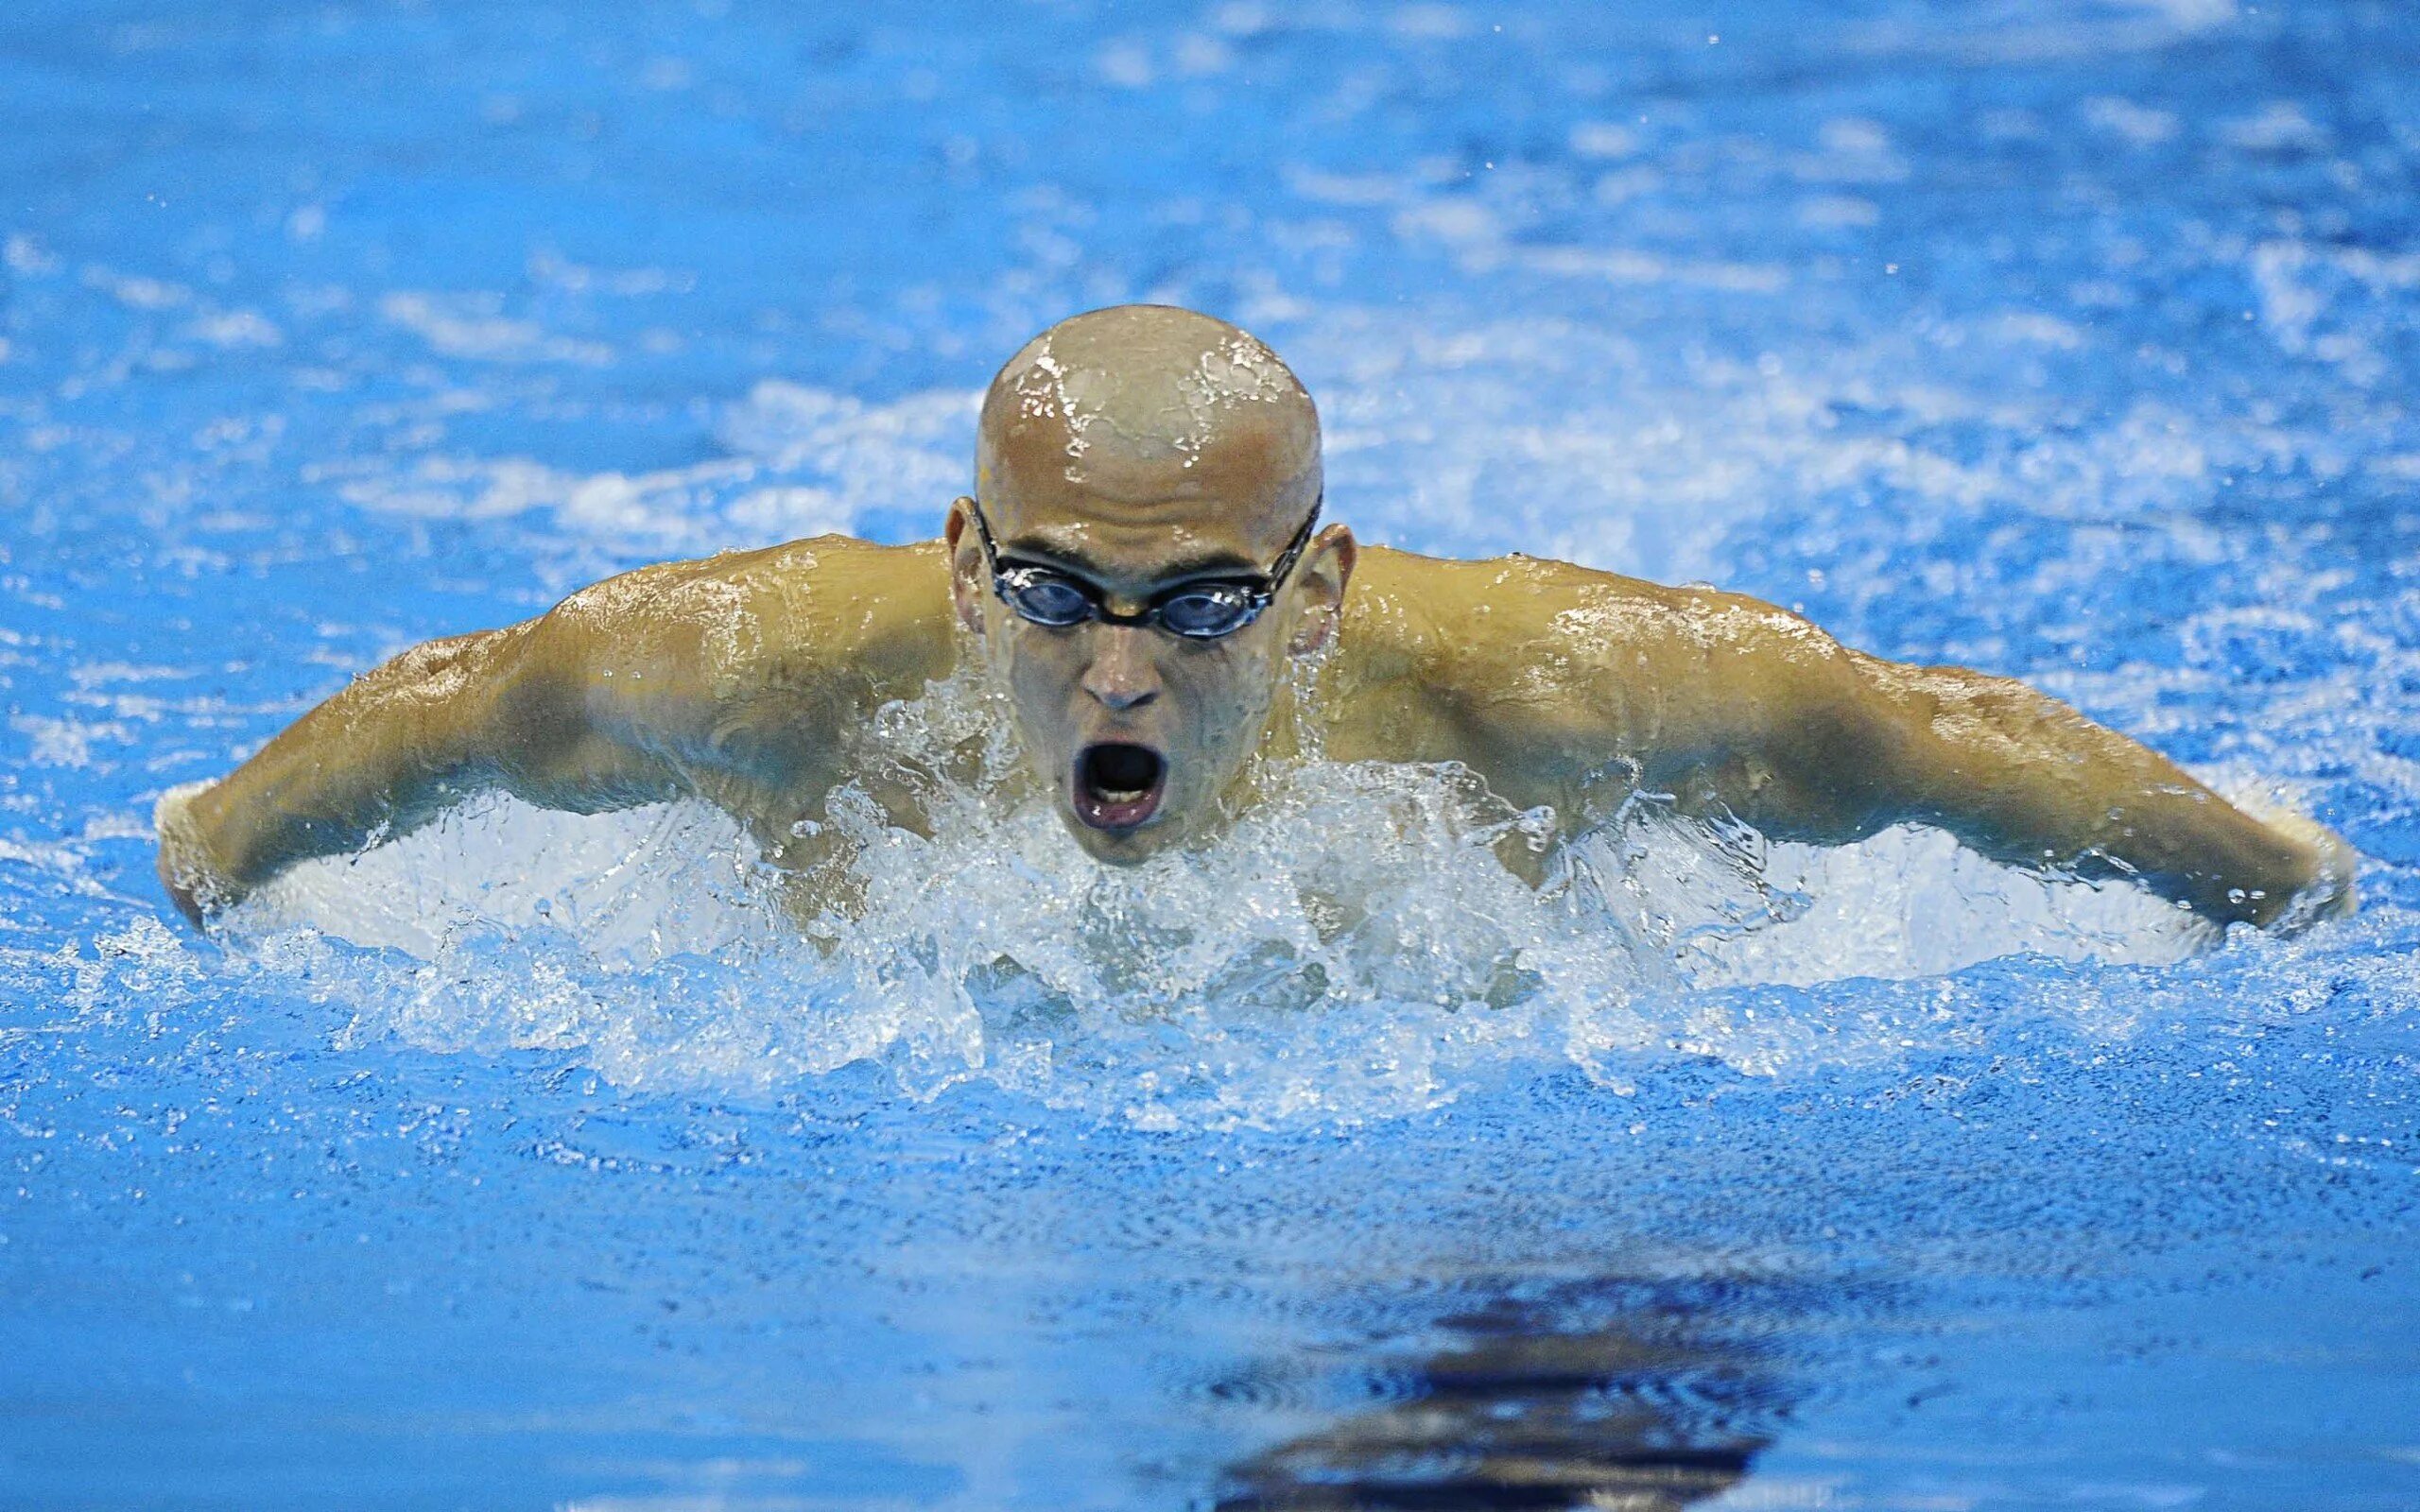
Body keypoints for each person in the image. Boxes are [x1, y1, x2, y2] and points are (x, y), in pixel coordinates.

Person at [155, 304, 2355, 934]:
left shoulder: (1528, 693)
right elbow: (466, 704)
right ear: (958, 566)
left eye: (1200, 604)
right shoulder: (758, 671)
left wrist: (2267, 872)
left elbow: (1907, 739)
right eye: (1052, 599)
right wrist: (214, 849)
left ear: (1315, 593)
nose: (1116, 670)